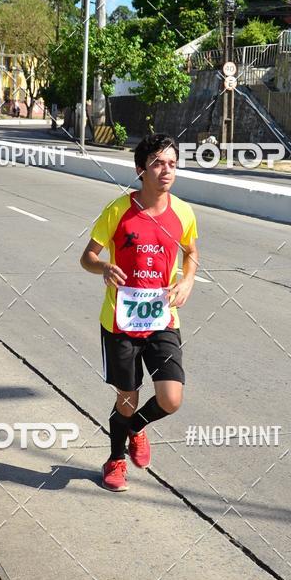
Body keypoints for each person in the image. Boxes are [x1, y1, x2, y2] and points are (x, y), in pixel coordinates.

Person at [80, 132, 199, 492]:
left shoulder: (183, 212)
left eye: (172, 164)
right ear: (140, 170)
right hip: (121, 320)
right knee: (127, 400)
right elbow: (87, 256)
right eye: (158, 163)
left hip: (163, 318)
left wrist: (188, 281)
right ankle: (115, 459)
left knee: (171, 398)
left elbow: (191, 253)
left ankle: (135, 429)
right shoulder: (118, 210)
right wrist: (103, 268)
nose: (167, 171)